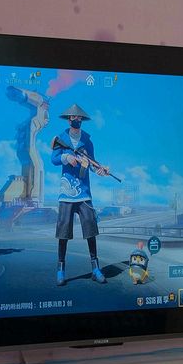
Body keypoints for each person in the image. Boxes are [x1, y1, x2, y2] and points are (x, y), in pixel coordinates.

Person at [52, 103, 109, 285]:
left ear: (82, 119)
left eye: (79, 117)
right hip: (66, 192)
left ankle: (95, 268)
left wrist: (100, 169)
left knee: (90, 230)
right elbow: (54, 159)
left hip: (84, 192)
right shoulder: (60, 138)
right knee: (63, 232)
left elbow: (93, 163)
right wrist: (66, 157)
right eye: (73, 117)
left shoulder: (87, 141)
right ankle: (61, 270)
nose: (76, 119)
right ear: (68, 119)